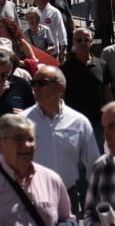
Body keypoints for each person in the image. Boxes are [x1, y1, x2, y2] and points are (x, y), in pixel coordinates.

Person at [0, 114, 81, 226]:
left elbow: (67, 220)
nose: (26, 145)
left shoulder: (51, 179)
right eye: (18, 139)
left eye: (30, 139)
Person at [22, 65, 100, 212]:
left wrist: (96, 201)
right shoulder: (22, 121)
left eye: (42, 83)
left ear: (60, 88)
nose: (35, 88)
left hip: (67, 195)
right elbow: (7, 163)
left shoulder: (78, 122)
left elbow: (93, 164)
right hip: (30, 196)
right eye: (33, 84)